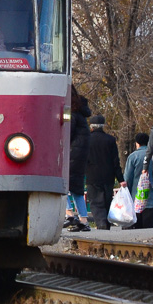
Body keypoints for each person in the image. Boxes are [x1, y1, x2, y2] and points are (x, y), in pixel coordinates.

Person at [85, 115, 122, 229]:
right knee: (107, 200)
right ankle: (106, 222)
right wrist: (121, 179)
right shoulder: (110, 140)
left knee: (95, 202)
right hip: (108, 176)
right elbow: (116, 161)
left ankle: (101, 223)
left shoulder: (87, 139)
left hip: (92, 175)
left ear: (91, 126)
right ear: (103, 126)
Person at [64, 88, 91, 231]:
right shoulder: (81, 116)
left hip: (72, 153)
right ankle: (83, 221)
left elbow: (67, 134)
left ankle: (69, 215)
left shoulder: (72, 115)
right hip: (80, 154)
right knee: (77, 189)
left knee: (63, 185)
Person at [123, 133, 153, 229]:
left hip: (135, 199)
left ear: (137, 143)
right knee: (148, 231)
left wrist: (126, 194)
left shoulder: (133, 156)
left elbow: (128, 177)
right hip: (151, 199)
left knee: (135, 230)